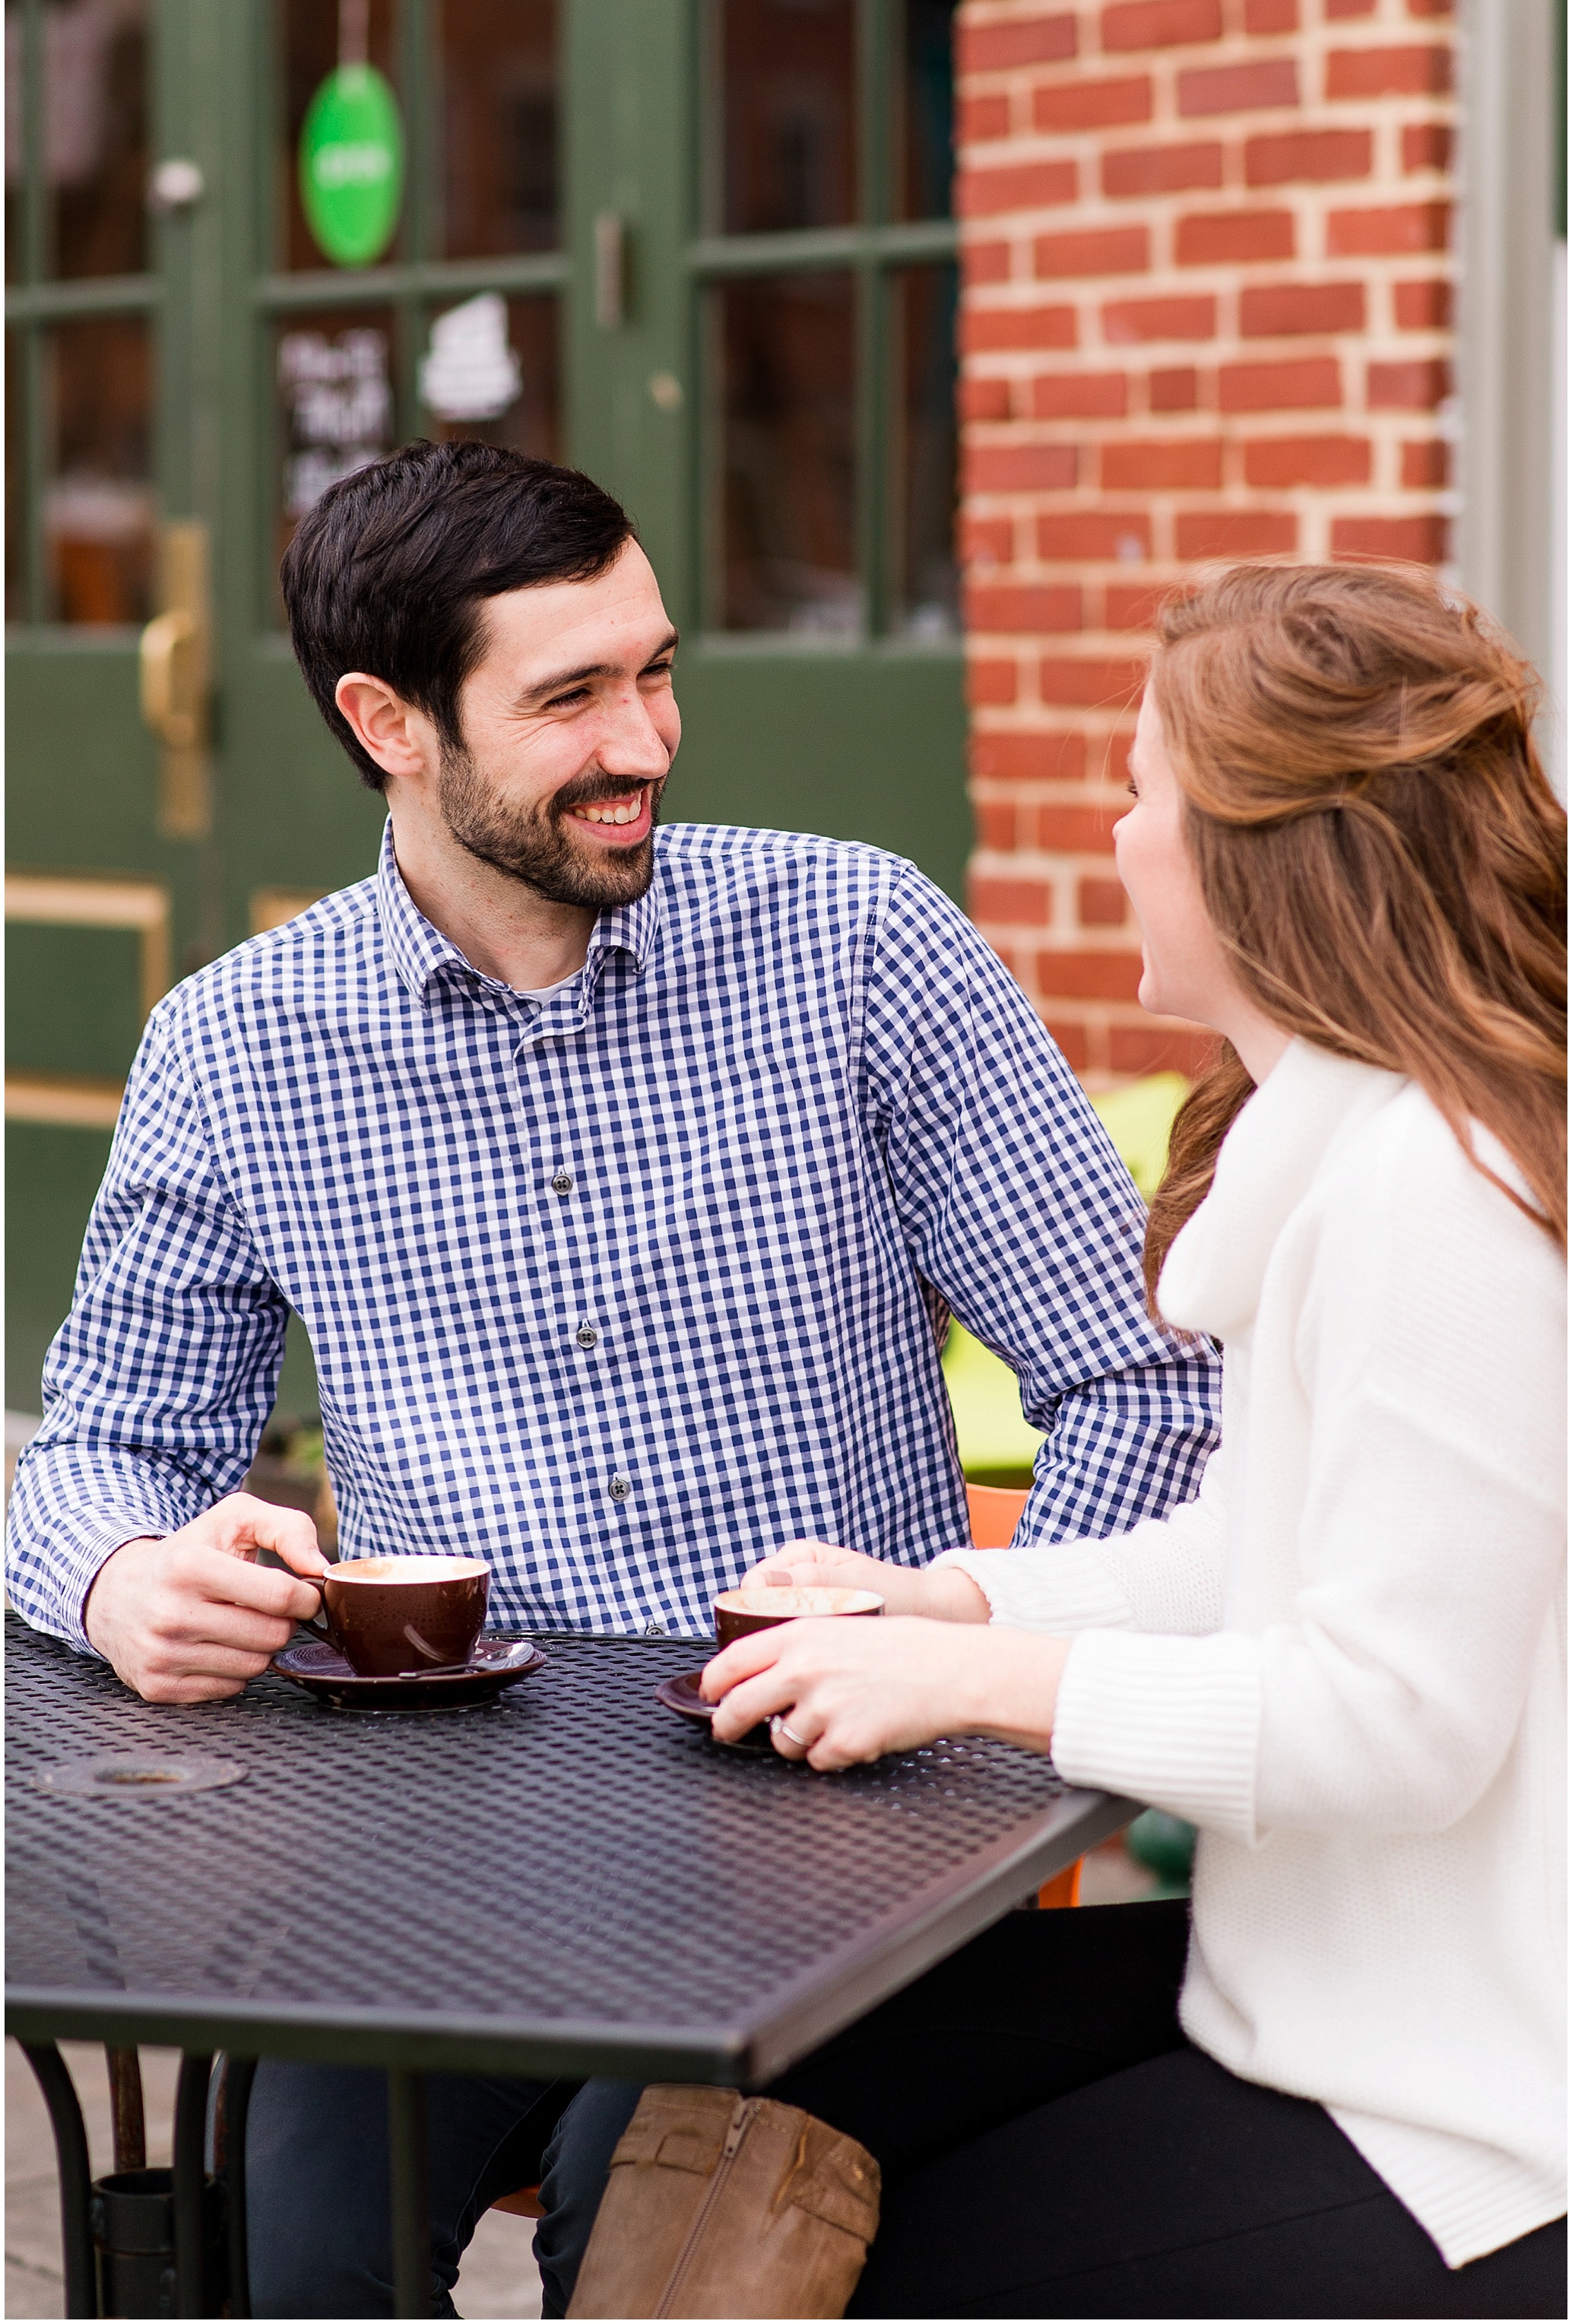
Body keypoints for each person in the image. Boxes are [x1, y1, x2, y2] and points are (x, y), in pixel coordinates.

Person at [5, 438, 1218, 2316]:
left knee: (646, 2220)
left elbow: (1143, 1384)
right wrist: (114, 1573)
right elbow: (98, 1447)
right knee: (280, 2238)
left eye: (654, 670)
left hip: (823, 1807)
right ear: (385, 721)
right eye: (569, 696)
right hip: (434, 1829)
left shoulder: (857, 943)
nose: (644, 738)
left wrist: (982, 1680)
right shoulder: (233, 1046)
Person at [537, 562, 1567, 2320]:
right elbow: (1249, 1542)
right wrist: (951, 1609)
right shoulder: (1349, 1144)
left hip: (1469, 2099)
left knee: (897, 2261)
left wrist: (975, 1695)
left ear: (1260, 855)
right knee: (747, 2089)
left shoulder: (1433, 1195)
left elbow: (1394, 1729)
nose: (1112, 832)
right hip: (1305, 1983)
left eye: (1141, 792)